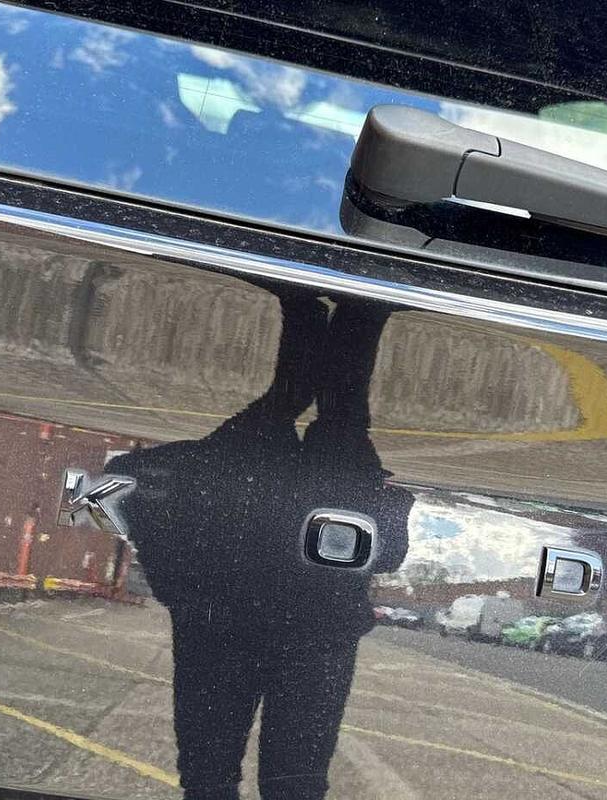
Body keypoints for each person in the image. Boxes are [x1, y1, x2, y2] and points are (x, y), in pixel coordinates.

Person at [105, 289, 412, 800]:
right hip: (260, 592)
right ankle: (331, 310)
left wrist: (390, 511)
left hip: (278, 598)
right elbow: (388, 553)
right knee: (310, 411)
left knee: (331, 416)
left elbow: (388, 552)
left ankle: (350, 311)